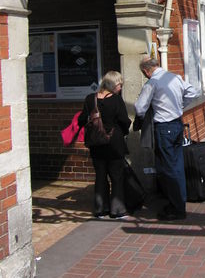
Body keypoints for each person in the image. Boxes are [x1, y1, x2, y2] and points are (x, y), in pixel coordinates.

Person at [134, 57, 197, 221]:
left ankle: (177, 208)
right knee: (176, 165)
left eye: (144, 73)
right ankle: (178, 201)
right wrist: (180, 106)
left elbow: (140, 108)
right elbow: (193, 92)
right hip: (177, 124)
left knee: (168, 168)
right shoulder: (175, 77)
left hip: (163, 127)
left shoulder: (152, 83)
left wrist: (147, 113)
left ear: (146, 71)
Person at [78, 71, 131, 219]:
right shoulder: (116, 100)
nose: (120, 88)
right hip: (114, 143)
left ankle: (100, 209)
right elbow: (124, 121)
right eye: (119, 84)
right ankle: (117, 210)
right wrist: (124, 131)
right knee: (116, 176)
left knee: (100, 175)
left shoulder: (90, 99)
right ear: (112, 84)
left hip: (96, 143)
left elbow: (81, 120)